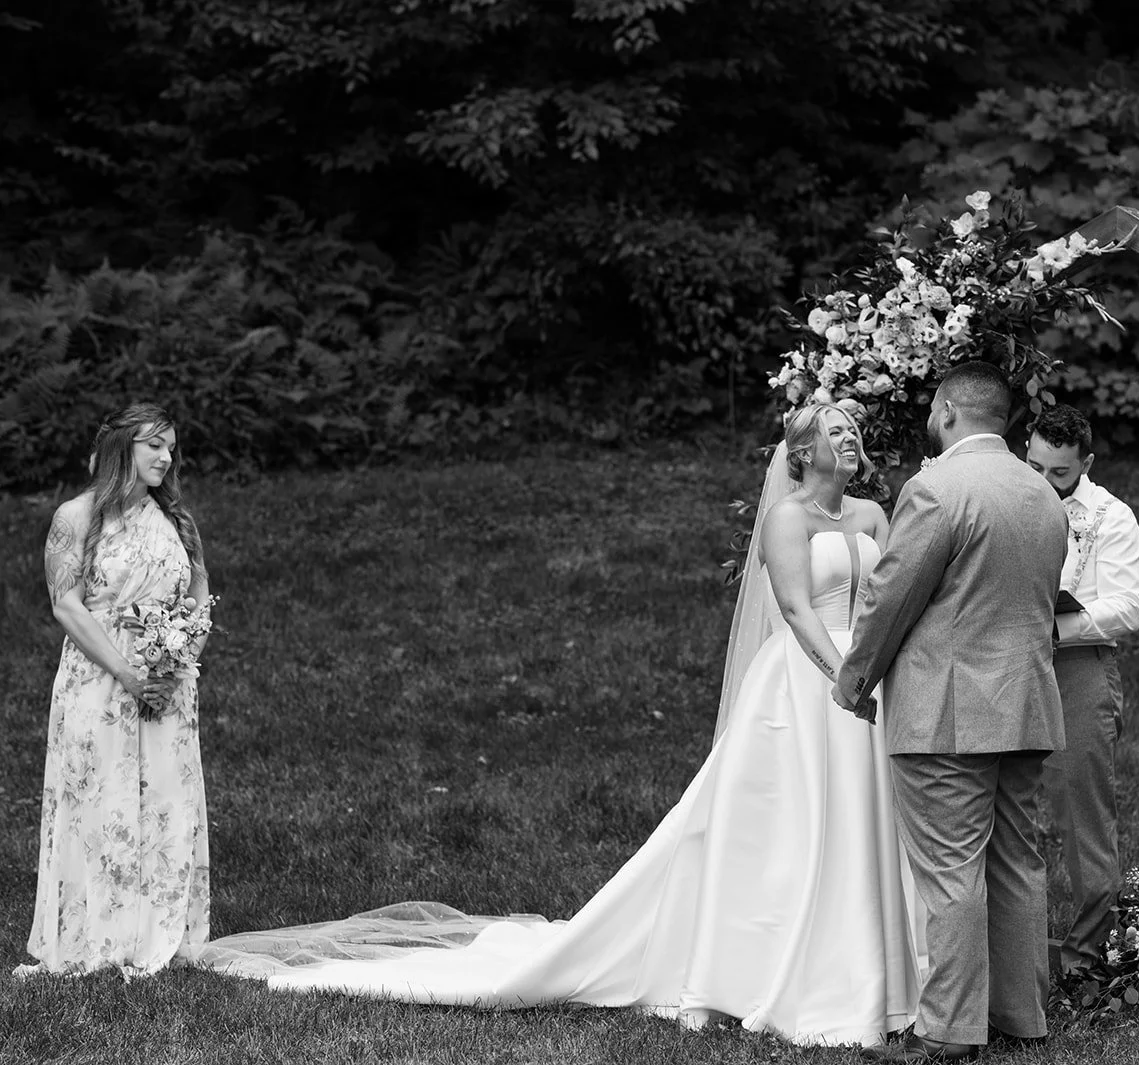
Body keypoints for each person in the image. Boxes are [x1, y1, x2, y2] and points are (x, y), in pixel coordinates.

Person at [201, 402, 922, 1048]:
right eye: (836, 429)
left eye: (855, 429)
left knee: (863, 825)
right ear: (801, 451)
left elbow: (886, 601)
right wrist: (845, 678)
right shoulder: (787, 518)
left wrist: (875, 674)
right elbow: (796, 610)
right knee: (790, 829)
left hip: (864, 685)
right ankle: (775, 973)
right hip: (805, 685)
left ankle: (873, 976)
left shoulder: (871, 516)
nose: (851, 437)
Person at [832, 361, 1070, 1063]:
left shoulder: (936, 488)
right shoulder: (1043, 493)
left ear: (944, 412)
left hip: (947, 711)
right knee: (1017, 861)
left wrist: (855, 678)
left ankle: (947, 1029)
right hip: (1027, 704)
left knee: (950, 869)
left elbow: (891, 596)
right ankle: (1020, 1015)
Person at [17, 403, 213, 979]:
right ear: (121, 447)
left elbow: (201, 594)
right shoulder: (75, 517)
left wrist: (178, 662)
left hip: (168, 685)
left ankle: (164, 930)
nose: (166, 456)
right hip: (98, 682)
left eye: (171, 447)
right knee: (98, 802)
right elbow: (65, 604)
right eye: (155, 445)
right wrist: (128, 675)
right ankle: (98, 933)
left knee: (168, 806)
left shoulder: (177, 519)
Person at [1024, 403, 1139, 978]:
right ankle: (1015, 946)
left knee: (1082, 810)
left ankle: (1087, 955)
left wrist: (1053, 625)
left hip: (1078, 668)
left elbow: (1126, 608)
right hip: (1011, 666)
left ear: (1087, 463)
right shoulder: (1011, 500)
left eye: (1059, 474)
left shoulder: (1112, 517)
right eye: (1035, 466)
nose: (1044, 484)